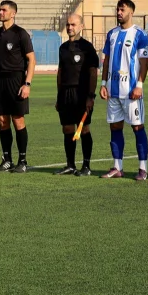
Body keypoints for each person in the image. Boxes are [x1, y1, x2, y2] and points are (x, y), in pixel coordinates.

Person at [99, 0, 148, 180]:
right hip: (113, 91)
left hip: (131, 92)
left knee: (137, 127)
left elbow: (144, 62)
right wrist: (103, 83)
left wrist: (139, 86)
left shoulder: (140, 34)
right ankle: (117, 167)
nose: (119, 12)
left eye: (122, 9)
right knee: (115, 127)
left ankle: (143, 168)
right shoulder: (112, 34)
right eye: (118, 9)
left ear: (131, 12)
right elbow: (106, 60)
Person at [0, 0, 36, 172]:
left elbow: (31, 59)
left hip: (17, 79)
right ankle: (7, 160)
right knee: (2, 121)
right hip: (0, 81)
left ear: (13, 13)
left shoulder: (20, 34)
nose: (0, 12)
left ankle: (23, 160)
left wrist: (27, 83)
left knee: (18, 120)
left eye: (4, 10)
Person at [54, 13, 98, 176]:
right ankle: (70, 165)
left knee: (84, 129)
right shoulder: (63, 48)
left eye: (73, 24)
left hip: (81, 93)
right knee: (67, 128)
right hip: (65, 94)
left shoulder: (87, 47)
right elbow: (60, 72)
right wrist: (59, 96)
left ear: (81, 26)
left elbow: (93, 73)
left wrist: (90, 96)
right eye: (68, 24)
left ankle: (86, 166)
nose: (69, 27)